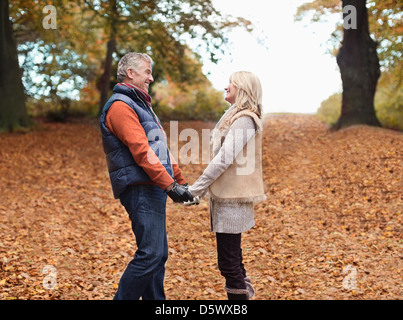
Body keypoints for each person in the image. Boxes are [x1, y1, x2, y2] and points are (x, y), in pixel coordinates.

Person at [99, 52, 193, 300]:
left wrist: (180, 181)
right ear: (131, 73)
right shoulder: (121, 106)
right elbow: (142, 151)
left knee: (158, 255)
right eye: (147, 72)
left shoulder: (142, 106)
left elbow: (160, 148)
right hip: (139, 186)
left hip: (153, 185)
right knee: (150, 254)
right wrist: (170, 186)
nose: (151, 78)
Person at [189, 71, 266, 300]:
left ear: (241, 88)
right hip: (226, 199)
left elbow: (224, 158)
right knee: (233, 262)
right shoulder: (234, 116)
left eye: (230, 83)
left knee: (229, 265)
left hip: (232, 202)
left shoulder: (244, 119)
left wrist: (196, 189)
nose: (226, 86)